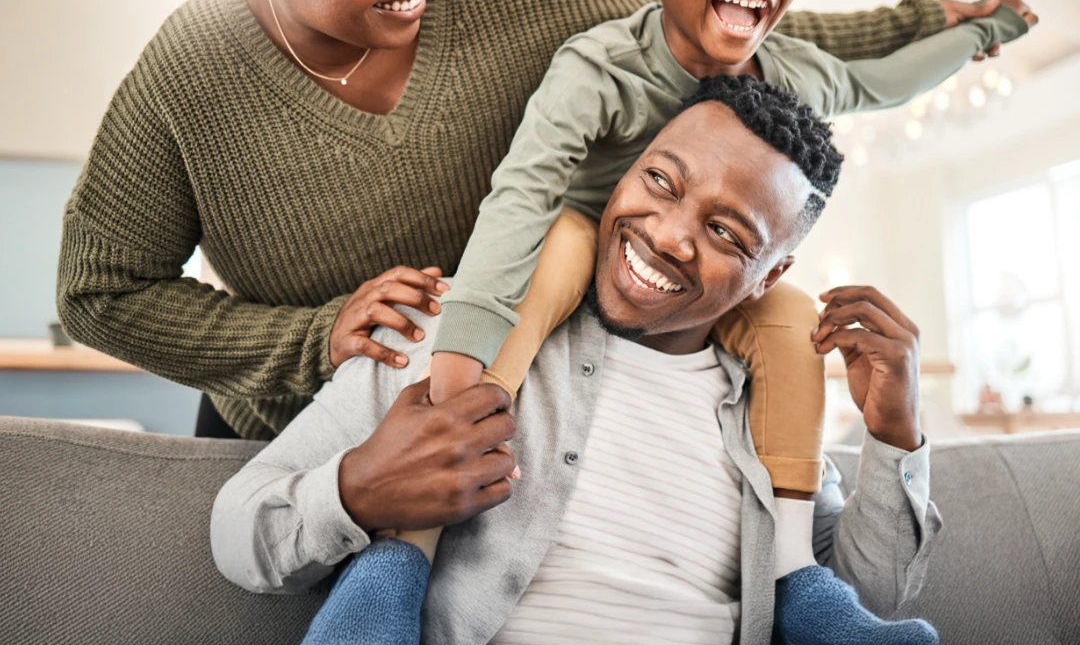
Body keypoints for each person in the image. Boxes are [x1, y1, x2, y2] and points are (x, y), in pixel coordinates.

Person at [56, 0, 974, 443]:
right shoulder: (186, 77)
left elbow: (717, 19)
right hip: (286, 440)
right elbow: (101, 291)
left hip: (493, 416)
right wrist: (312, 339)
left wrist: (929, 22)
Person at [360, 0, 1031, 618]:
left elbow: (885, 81)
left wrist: (982, 31)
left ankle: (798, 583)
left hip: (696, 300)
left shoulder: (790, 74)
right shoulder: (601, 67)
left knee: (788, 314)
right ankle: (412, 547)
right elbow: (523, 193)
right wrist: (455, 373)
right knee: (565, 238)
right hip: (589, 253)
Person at [210, 76, 943, 645]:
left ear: (769, 279)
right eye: (661, 181)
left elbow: (860, 600)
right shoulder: (463, 334)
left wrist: (894, 430)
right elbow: (240, 533)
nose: (669, 235)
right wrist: (358, 490)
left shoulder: (769, 407)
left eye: (726, 231)